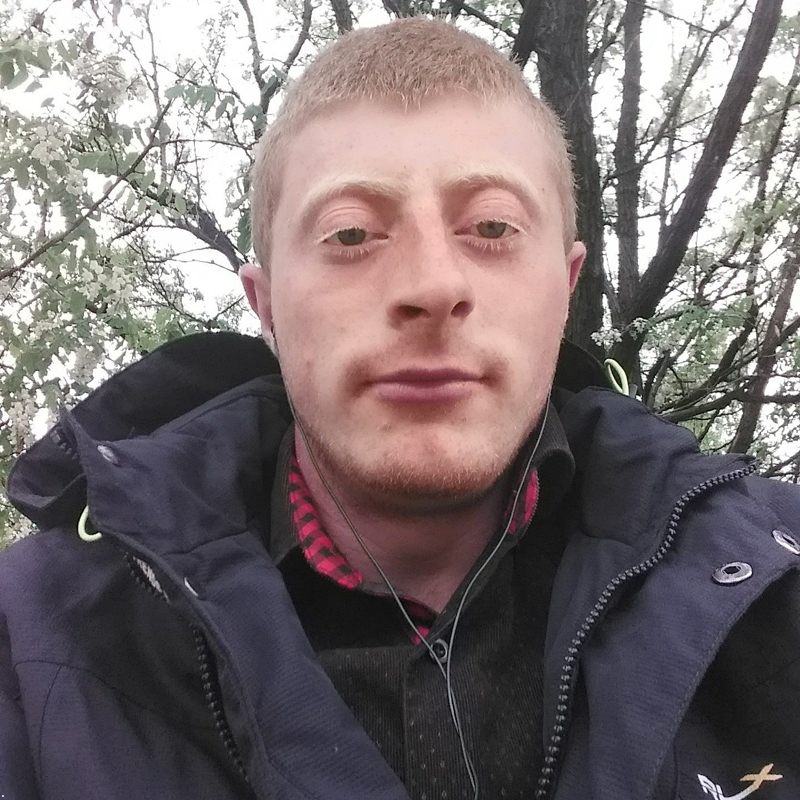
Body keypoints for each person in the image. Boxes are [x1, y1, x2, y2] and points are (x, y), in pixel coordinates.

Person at [2, 16, 799, 800]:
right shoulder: (31, 643)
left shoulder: (776, 580)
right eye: (352, 235)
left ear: (565, 288)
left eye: (492, 226)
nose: (431, 286)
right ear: (267, 306)